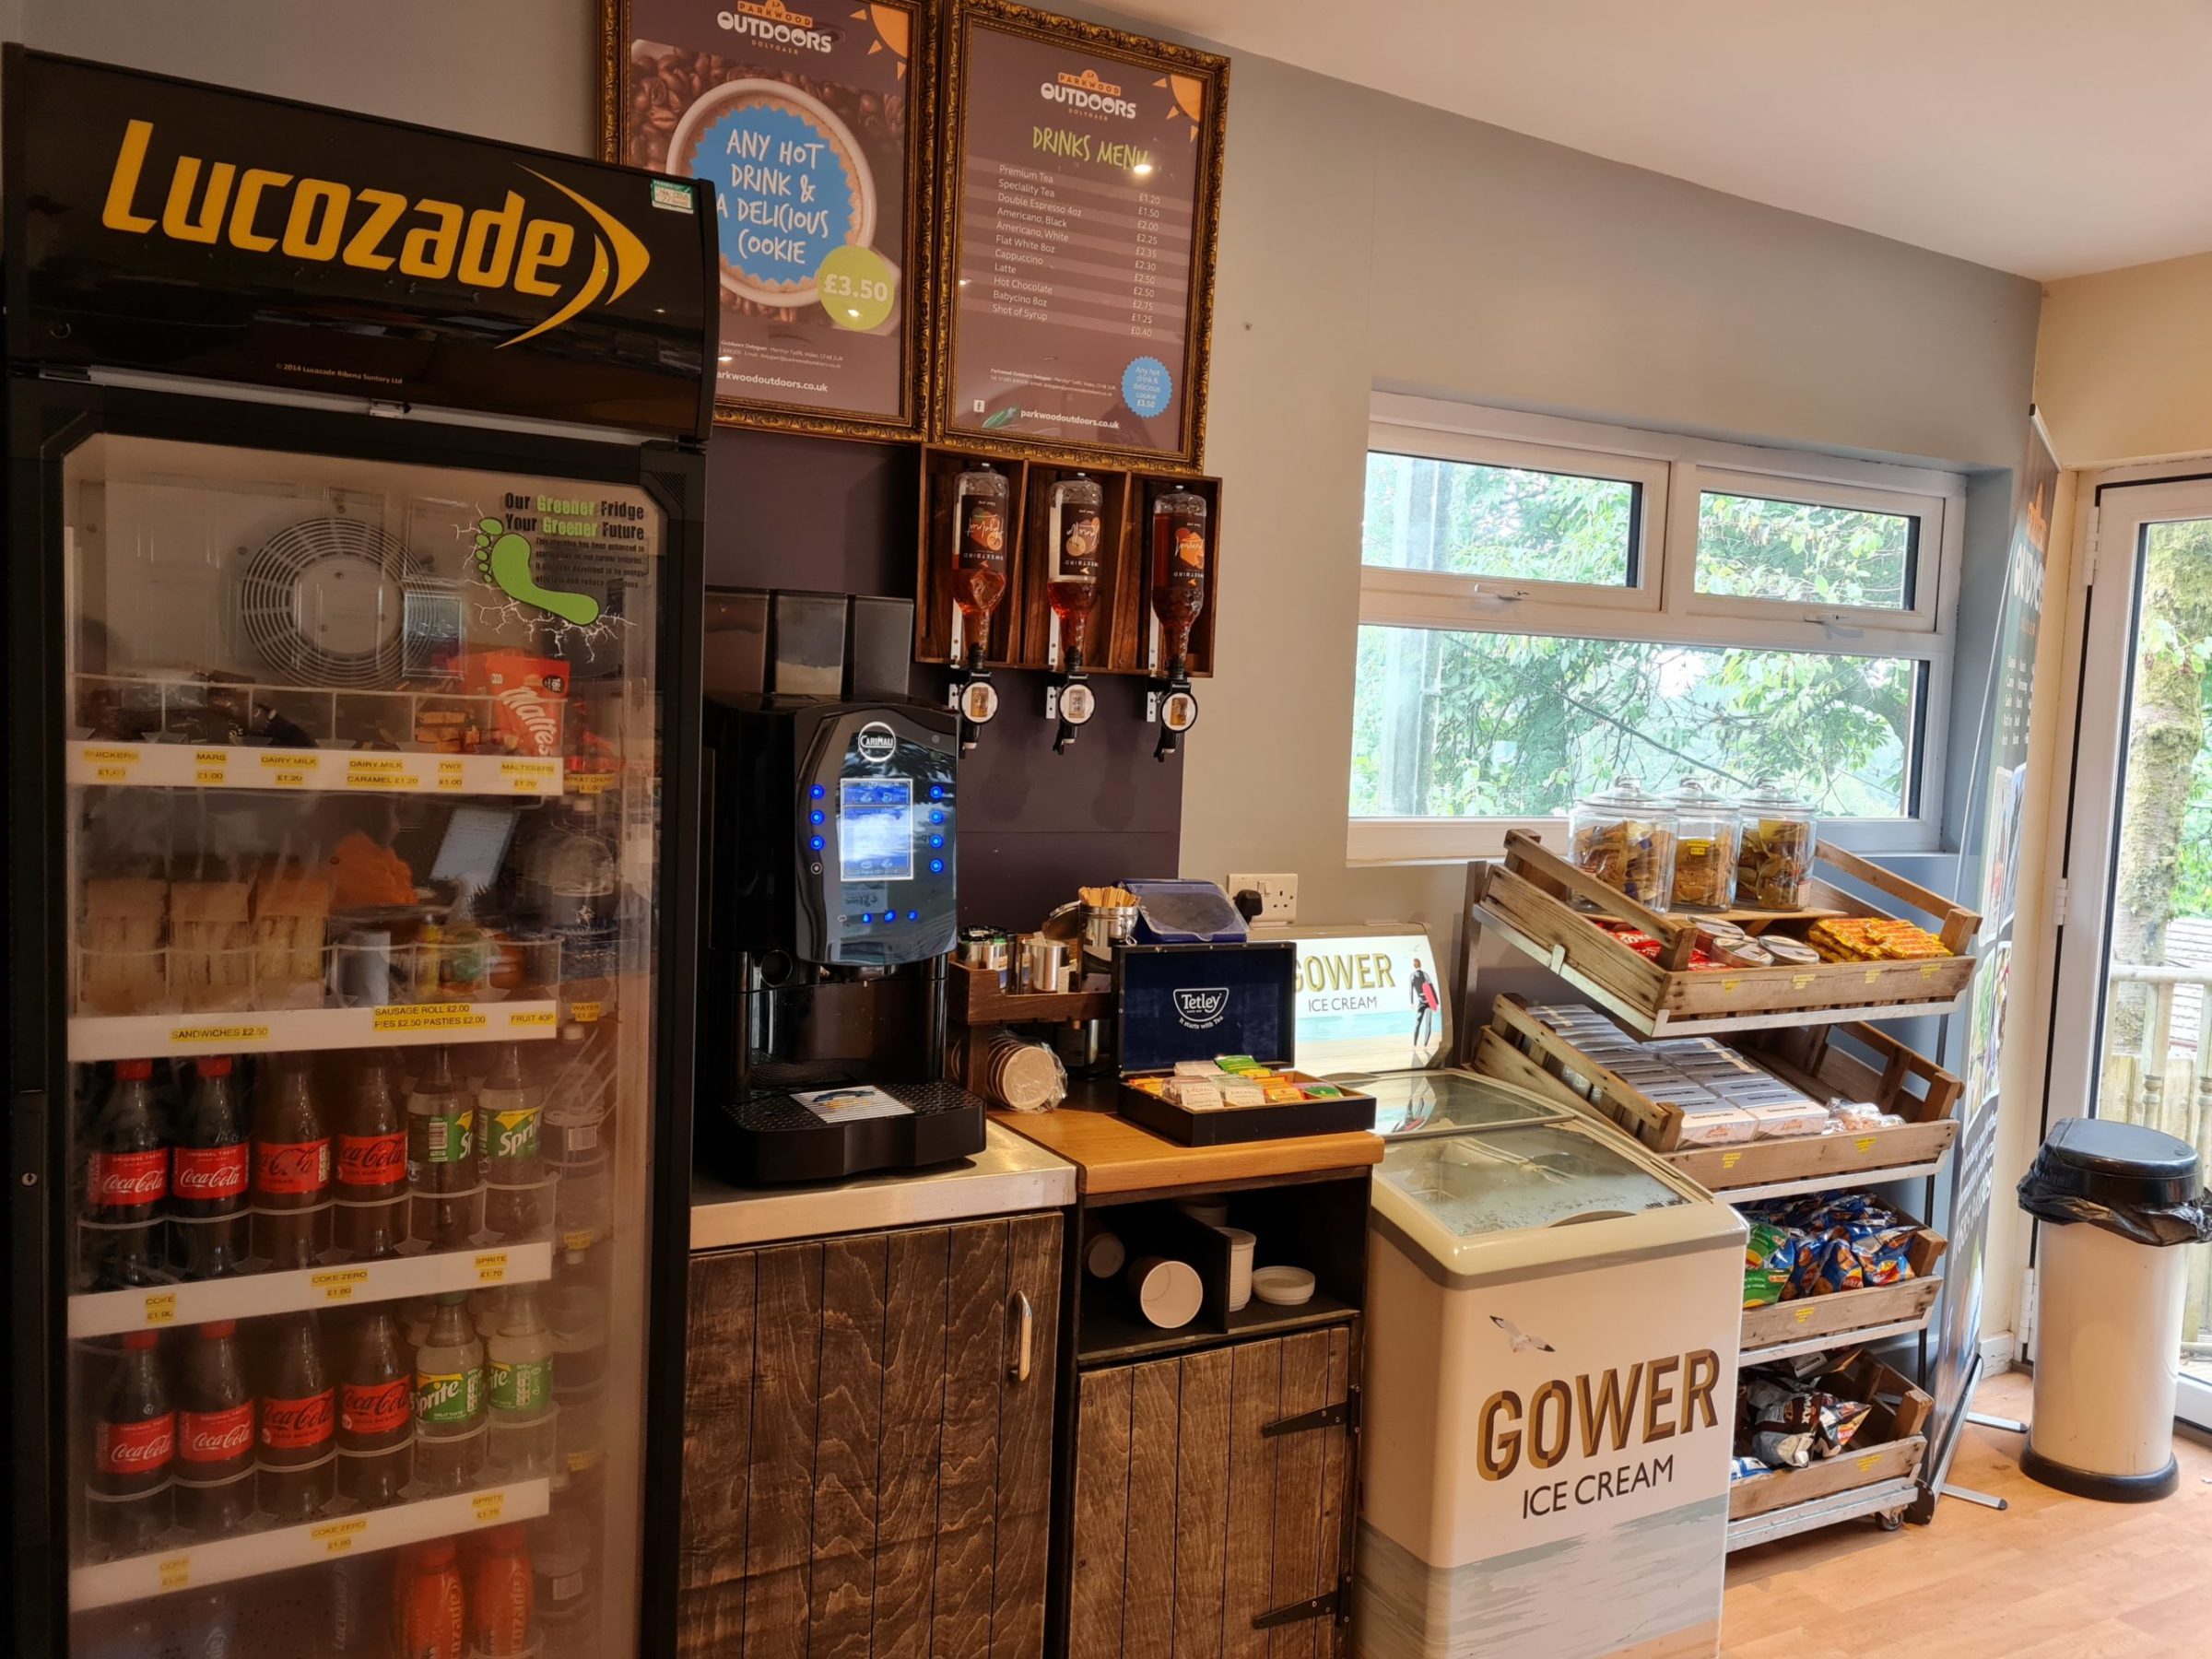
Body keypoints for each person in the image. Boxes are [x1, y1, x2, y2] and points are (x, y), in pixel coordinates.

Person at [1410, 957, 1439, 1049]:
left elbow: (1410, 991)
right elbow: (1432, 988)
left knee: (1417, 1024)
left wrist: (1411, 1003)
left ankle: (1414, 1044)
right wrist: (1436, 1002)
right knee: (1428, 1024)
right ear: (1420, 964)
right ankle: (1425, 1045)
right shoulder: (1426, 975)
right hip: (1429, 1003)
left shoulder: (1412, 976)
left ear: (1413, 966)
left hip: (1421, 1003)